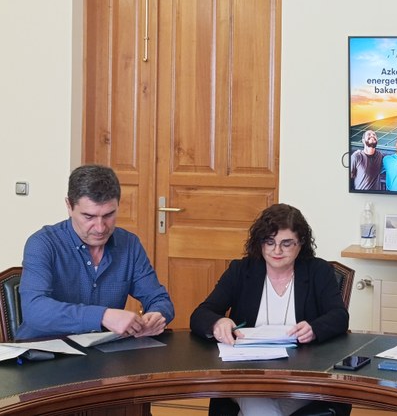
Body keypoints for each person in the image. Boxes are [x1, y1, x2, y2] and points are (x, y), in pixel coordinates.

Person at [190, 203, 349, 416]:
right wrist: (218, 322)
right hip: (247, 377)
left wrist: (314, 328)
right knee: (256, 399)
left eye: (286, 244)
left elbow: (339, 316)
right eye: (270, 242)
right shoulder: (241, 270)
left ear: (300, 242)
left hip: (299, 376)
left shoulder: (317, 271)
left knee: (260, 407)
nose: (277, 251)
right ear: (260, 242)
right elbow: (200, 314)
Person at [17, 164, 174, 340]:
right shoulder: (42, 243)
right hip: (43, 353)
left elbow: (160, 299)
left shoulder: (129, 244)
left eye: (108, 215)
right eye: (89, 217)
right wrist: (103, 316)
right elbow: (35, 311)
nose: (100, 228)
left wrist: (157, 316)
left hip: (102, 353)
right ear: (69, 206)